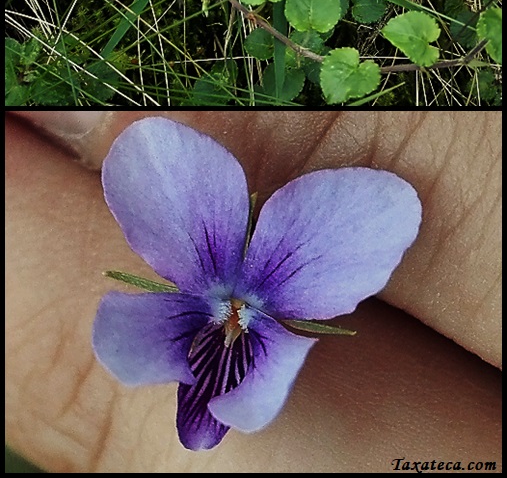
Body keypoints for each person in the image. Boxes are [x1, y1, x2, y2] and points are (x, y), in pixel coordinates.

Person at [6, 111, 501, 473]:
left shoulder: (229, 314)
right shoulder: (228, 314)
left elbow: (152, 157)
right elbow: (152, 159)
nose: (232, 320)